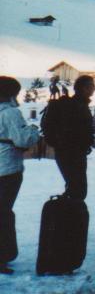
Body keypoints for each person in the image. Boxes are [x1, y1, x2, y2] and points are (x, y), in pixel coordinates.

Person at [0, 76, 40, 275]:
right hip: (7, 169)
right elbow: (24, 140)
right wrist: (34, 129)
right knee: (3, 213)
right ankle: (2, 256)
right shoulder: (10, 113)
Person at [52, 76, 95, 201]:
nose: (94, 88)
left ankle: (67, 210)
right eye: (92, 86)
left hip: (64, 152)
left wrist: (91, 140)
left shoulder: (74, 105)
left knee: (74, 188)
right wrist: (93, 141)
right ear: (84, 88)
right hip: (73, 154)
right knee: (78, 191)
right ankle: (69, 212)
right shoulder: (78, 107)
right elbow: (79, 133)